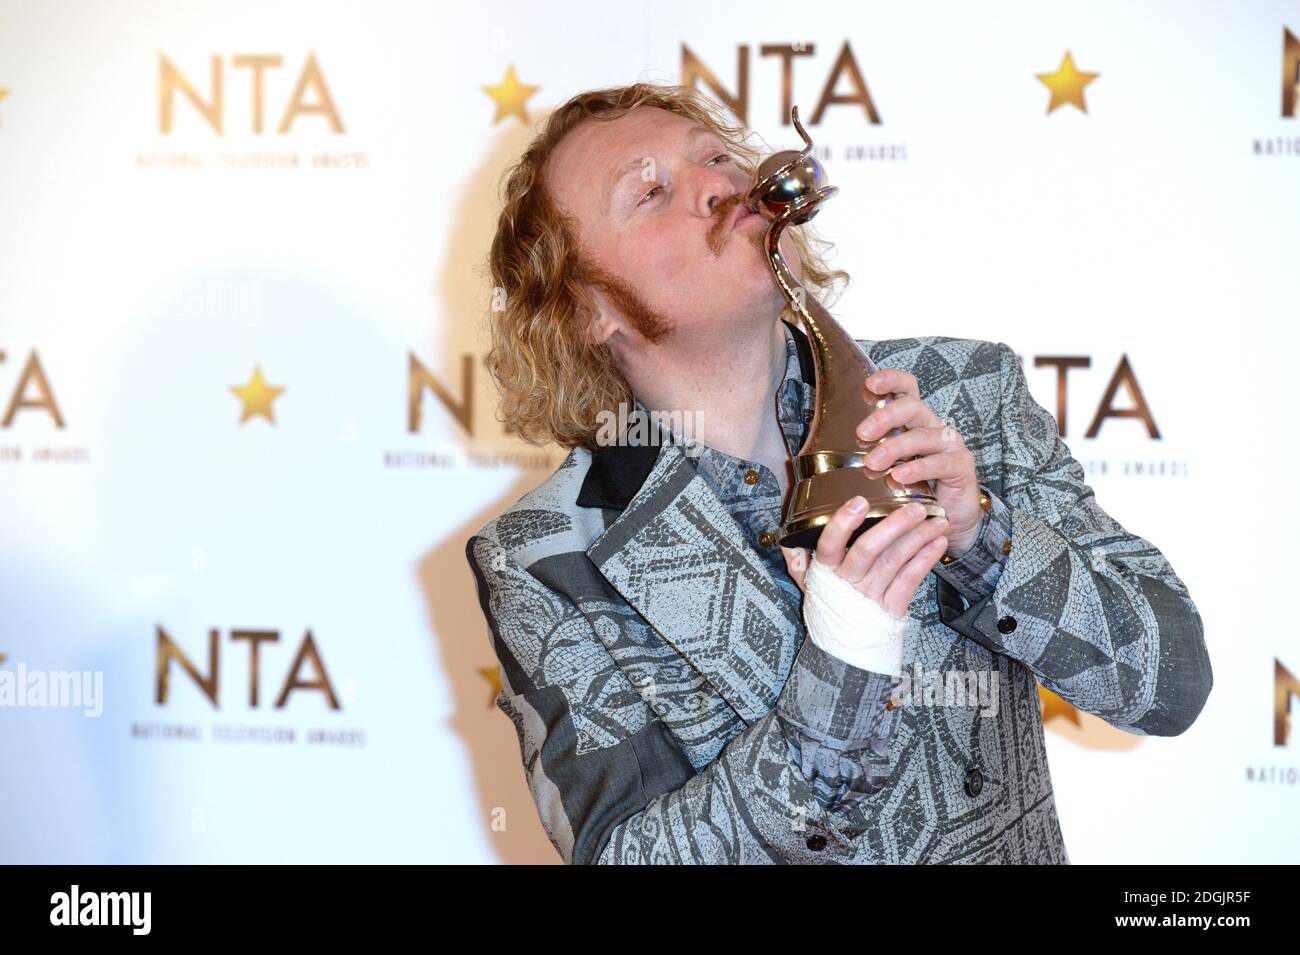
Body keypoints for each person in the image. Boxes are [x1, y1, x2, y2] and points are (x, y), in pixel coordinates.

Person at [464, 81, 1212, 864]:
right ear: (585, 310)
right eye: (652, 192)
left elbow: (1172, 683)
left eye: (718, 158)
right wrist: (845, 660)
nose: (723, 185)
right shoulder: (545, 555)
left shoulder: (965, 395)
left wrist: (983, 539)